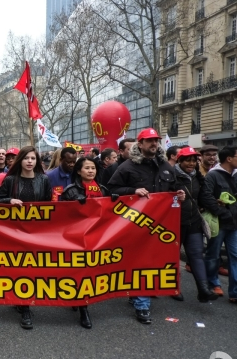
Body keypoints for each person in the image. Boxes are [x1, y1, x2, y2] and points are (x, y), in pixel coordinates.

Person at [107, 128, 185, 323]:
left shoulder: (165, 166)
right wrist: (133, 190)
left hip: (161, 226)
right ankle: (142, 305)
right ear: (140, 144)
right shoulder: (127, 166)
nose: (154, 144)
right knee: (141, 261)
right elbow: (112, 190)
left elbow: (174, 188)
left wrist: (180, 194)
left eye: (156, 140)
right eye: (149, 140)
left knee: (152, 262)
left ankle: (137, 295)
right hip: (136, 225)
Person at [0, 146, 52, 329]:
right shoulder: (10, 180)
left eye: (33, 159)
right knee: (19, 268)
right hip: (14, 232)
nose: (30, 161)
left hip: (36, 232)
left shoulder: (44, 180)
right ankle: (24, 304)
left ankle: (25, 303)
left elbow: (49, 205)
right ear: (21, 160)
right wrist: (8, 201)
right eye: (27, 158)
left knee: (31, 269)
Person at [61, 157, 113, 329]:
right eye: (87, 168)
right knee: (79, 271)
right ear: (78, 171)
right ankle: (82, 307)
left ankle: (81, 302)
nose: (91, 171)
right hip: (76, 239)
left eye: (93, 168)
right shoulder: (70, 191)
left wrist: (115, 201)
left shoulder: (103, 190)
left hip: (97, 238)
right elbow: (60, 216)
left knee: (89, 272)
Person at [173, 147, 219, 302]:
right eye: (187, 160)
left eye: (194, 160)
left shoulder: (198, 177)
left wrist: (219, 209)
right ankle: (173, 288)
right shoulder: (170, 176)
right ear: (179, 161)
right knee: (172, 257)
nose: (191, 163)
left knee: (196, 256)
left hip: (194, 223)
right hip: (174, 224)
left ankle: (203, 290)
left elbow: (204, 197)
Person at [200, 145, 237, 300]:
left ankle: (234, 292)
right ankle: (213, 283)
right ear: (229, 158)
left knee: (235, 255)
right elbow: (206, 197)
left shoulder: (236, 175)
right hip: (219, 223)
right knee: (213, 254)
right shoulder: (213, 176)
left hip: (234, 224)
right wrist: (222, 212)